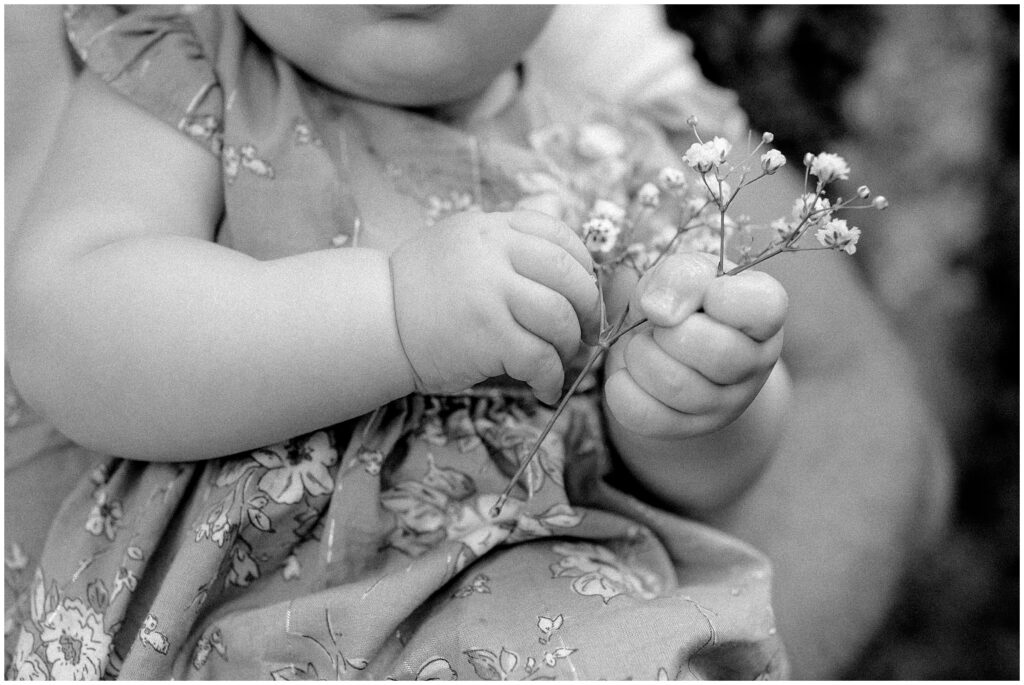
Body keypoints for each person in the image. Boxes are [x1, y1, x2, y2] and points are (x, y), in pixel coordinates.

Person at [6, 5, 795, 680]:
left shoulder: (628, 159)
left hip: (529, 608)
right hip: (231, 612)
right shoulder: (189, 64)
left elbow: (705, 483)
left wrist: (701, 390)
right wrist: (391, 317)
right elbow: (63, 327)